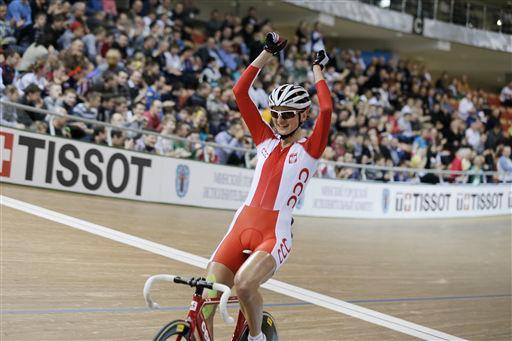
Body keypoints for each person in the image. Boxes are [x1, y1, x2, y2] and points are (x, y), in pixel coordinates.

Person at [204, 32, 332, 341]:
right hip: (242, 223)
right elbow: (239, 91)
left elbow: (326, 110)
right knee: (206, 293)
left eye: (288, 115)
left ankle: (258, 338)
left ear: (303, 115)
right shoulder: (264, 139)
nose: (280, 120)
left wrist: (318, 69)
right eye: (275, 114)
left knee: (245, 285)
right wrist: (267, 53)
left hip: (274, 232)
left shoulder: (310, 149)